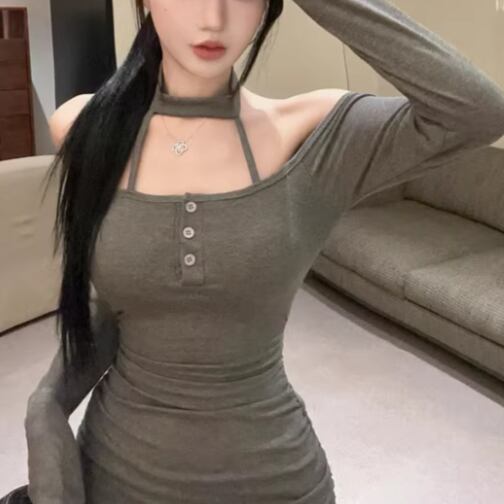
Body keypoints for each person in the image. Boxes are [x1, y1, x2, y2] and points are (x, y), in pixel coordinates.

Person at [4, 0, 504, 503]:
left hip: (277, 479)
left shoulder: (308, 132)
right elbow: (115, 308)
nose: (214, 16)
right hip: (113, 476)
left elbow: (476, 112)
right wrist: (45, 406)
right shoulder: (86, 125)